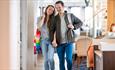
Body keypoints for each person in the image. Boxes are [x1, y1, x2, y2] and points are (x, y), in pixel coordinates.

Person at [51, 1, 83, 70]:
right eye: (56, 8)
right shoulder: (54, 18)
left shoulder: (70, 16)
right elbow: (52, 30)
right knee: (61, 61)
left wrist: (73, 26)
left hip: (69, 42)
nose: (58, 9)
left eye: (59, 7)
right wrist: (53, 40)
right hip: (59, 43)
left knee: (69, 59)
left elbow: (80, 23)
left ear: (63, 6)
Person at [37, 5, 55, 70]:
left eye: (52, 11)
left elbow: (55, 30)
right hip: (43, 41)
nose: (51, 11)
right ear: (46, 9)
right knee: (45, 59)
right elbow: (39, 27)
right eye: (49, 9)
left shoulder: (53, 19)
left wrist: (54, 40)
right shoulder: (40, 18)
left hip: (51, 41)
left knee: (50, 58)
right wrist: (44, 17)